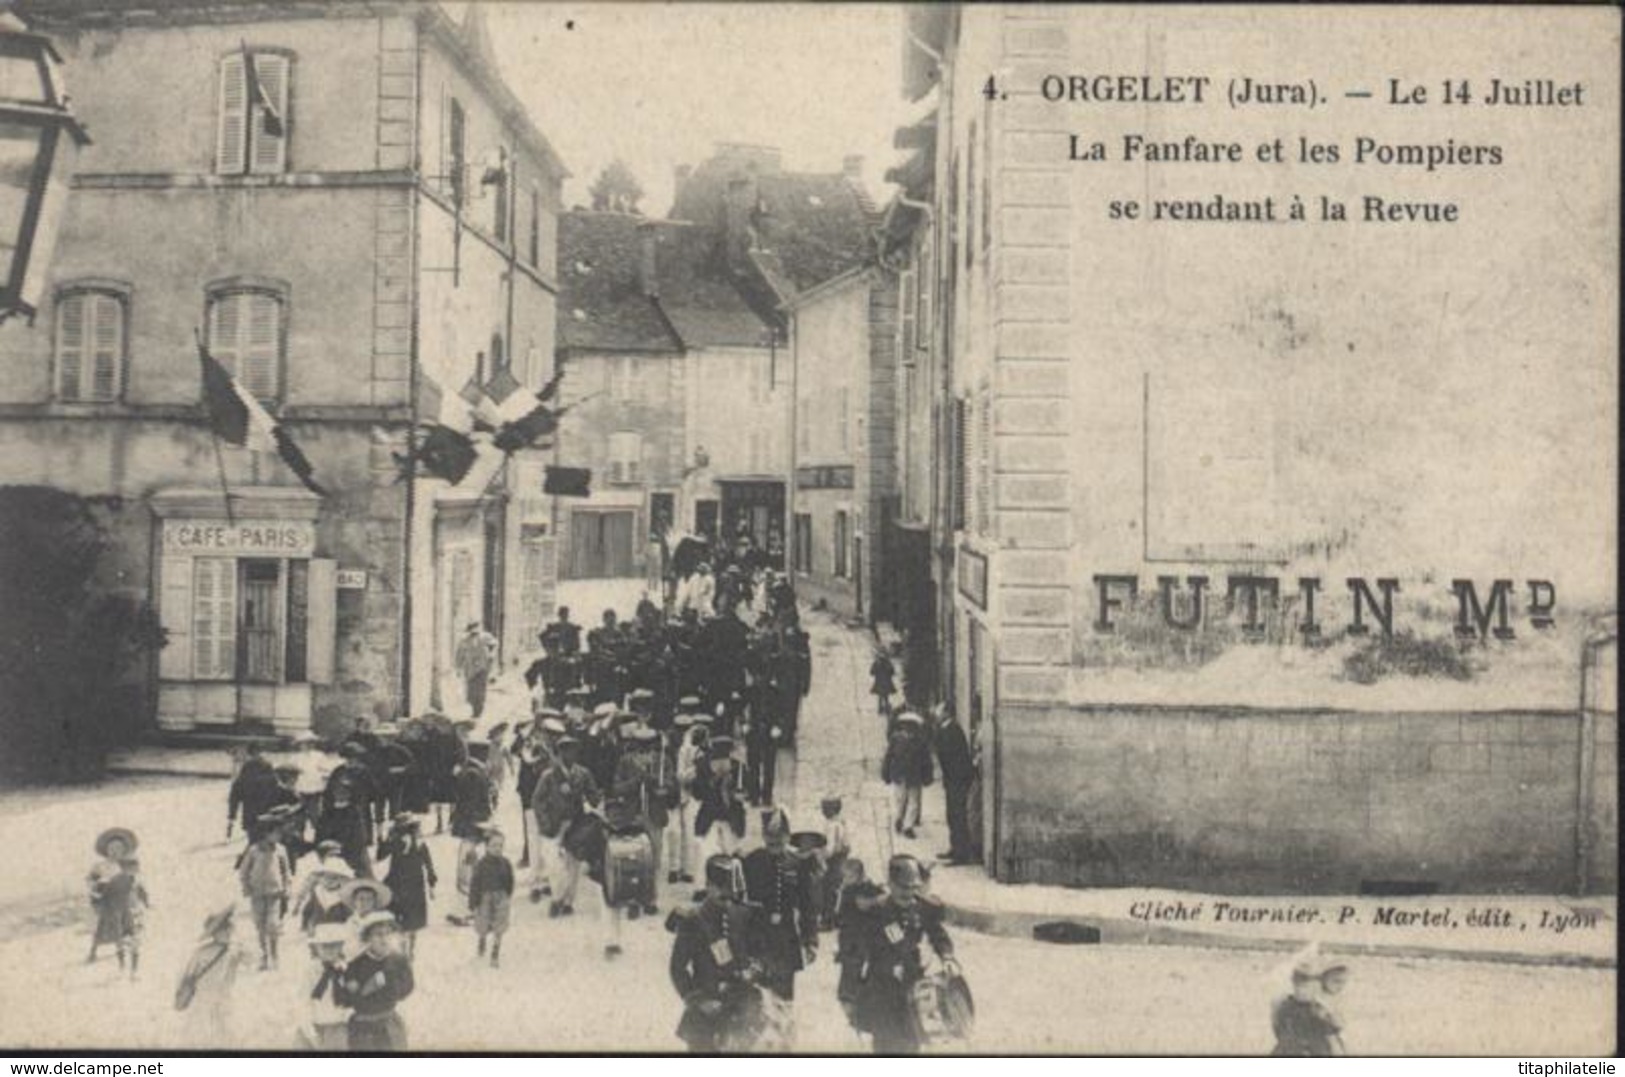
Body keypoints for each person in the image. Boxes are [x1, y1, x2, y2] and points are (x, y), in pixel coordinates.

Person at [854, 854, 957, 1055]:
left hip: (913, 984)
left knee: (912, 1042)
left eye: (913, 888)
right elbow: (861, 949)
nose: (908, 894)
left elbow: (938, 935)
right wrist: (889, 966)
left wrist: (947, 957)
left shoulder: (923, 907)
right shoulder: (876, 912)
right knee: (886, 1045)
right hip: (882, 989)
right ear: (890, 884)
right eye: (903, 888)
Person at [667, 854, 760, 1053]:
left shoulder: (745, 915)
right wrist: (697, 999)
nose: (725, 895)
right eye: (719, 887)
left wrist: (754, 969)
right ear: (708, 885)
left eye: (729, 890)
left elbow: (760, 954)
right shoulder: (693, 920)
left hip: (740, 1006)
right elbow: (677, 968)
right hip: (705, 1008)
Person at [741, 808, 818, 1002]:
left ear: (788, 836)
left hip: (785, 939)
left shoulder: (798, 864)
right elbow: (739, 902)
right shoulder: (751, 862)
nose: (774, 842)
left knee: (783, 999)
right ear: (763, 836)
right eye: (769, 836)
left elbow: (808, 906)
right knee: (755, 997)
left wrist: (811, 940)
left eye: (779, 836)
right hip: (757, 936)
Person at [533, 735, 601, 918]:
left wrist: (594, 797)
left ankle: (567, 902)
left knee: (573, 864)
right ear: (560, 753)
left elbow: (594, 797)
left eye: (573, 750)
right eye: (565, 750)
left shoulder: (583, 773)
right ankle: (557, 897)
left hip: (575, 823)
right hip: (554, 825)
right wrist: (545, 822)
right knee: (555, 865)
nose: (569, 754)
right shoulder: (548, 775)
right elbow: (537, 800)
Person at [336, 912, 414, 1051]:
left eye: (388, 933)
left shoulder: (398, 960)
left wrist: (388, 982)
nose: (384, 939)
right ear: (368, 938)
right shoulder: (356, 964)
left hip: (389, 1022)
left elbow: (407, 988)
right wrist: (355, 989)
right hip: (363, 1027)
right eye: (378, 934)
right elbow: (345, 1000)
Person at [174, 906, 247, 1046]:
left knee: (220, 1032)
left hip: (220, 996)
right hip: (211, 997)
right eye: (226, 929)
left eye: (230, 928)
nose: (230, 931)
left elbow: (187, 974)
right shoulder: (231, 951)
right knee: (209, 1032)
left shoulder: (233, 951)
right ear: (216, 933)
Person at [375, 814, 435, 958]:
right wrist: (384, 839)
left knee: (411, 918)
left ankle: (409, 948)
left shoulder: (418, 843)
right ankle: (403, 947)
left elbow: (428, 863)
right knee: (401, 916)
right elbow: (380, 855)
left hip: (411, 884)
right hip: (399, 883)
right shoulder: (396, 841)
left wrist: (431, 883)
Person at [238, 817, 292, 970]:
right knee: (260, 925)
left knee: (273, 925)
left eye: (279, 834)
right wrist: (246, 887)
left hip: (275, 893)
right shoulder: (254, 850)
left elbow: (286, 871)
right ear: (266, 834)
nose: (278, 836)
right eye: (275, 833)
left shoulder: (281, 850)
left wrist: (287, 887)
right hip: (257, 893)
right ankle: (264, 956)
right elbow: (244, 871)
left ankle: (275, 954)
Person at [1271, 952, 1349, 1056]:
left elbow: (1337, 1029)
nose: (1302, 988)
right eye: (1299, 983)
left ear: (1317, 984)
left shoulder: (1320, 1006)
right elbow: (1278, 1029)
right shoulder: (1283, 1003)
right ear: (1293, 983)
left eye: (1307, 983)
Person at [932, 706, 977, 865]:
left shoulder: (952, 730)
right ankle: (955, 847)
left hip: (957, 780)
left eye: (939, 712)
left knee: (957, 815)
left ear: (947, 713)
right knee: (952, 815)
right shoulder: (948, 729)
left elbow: (952, 757)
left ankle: (961, 854)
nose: (936, 714)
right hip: (953, 779)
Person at [298, 923, 352, 1050]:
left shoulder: (346, 969)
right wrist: (310, 1032)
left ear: (341, 946)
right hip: (315, 1025)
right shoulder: (310, 971)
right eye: (324, 946)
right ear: (316, 948)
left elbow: (352, 999)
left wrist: (346, 1020)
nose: (329, 949)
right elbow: (303, 1001)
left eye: (334, 945)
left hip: (339, 1026)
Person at [87, 827, 137, 965]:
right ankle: (93, 952)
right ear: (106, 850)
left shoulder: (127, 866)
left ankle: (125, 959)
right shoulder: (100, 866)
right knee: (104, 928)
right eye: (112, 848)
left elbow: (135, 884)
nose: (115, 852)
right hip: (108, 902)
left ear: (124, 850)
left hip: (124, 901)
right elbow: (91, 881)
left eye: (119, 848)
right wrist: (98, 886)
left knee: (128, 928)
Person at [882, 712, 934, 840]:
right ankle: (899, 819)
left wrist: (927, 776)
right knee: (900, 800)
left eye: (911, 726)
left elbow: (926, 760)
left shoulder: (920, 742)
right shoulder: (896, 739)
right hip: (900, 775)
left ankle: (908, 826)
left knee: (913, 802)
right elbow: (889, 757)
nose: (908, 729)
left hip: (914, 775)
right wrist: (886, 773)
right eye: (906, 726)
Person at [693, 735, 746, 860]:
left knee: (733, 857)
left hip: (732, 820)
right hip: (709, 820)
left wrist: (738, 794)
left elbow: (749, 790)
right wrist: (713, 780)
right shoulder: (703, 768)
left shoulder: (738, 769)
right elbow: (697, 794)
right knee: (709, 858)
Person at [468, 828, 515, 968]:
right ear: (487, 847)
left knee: (500, 922)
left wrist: (507, 894)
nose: (498, 849)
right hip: (485, 898)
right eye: (494, 845)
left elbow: (510, 879)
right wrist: (473, 902)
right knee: (483, 922)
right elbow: (475, 883)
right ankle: (482, 939)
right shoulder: (481, 865)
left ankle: (496, 948)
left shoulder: (505, 863)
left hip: (501, 896)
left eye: (500, 845)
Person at [817, 795, 850, 929]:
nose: (822, 810)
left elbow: (829, 849)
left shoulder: (831, 825)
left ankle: (827, 921)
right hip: (842, 860)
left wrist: (819, 857)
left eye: (824, 808)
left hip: (834, 862)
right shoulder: (842, 822)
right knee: (836, 891)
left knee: (828, 891)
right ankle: (836, 918)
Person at [454, 621, 498, 719]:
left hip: (482, 667)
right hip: (470, 669)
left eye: (475, 628)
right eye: (471, 629)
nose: (473, 631)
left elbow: (495, 644)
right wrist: (458, 667)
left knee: (480, 690)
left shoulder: (485, 637)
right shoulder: (464, 640)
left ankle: (478, 710)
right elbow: (459, 654)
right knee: (471, 691)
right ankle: (474, 708)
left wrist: (491, 654)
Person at [291, 735, 331, 832]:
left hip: (315, 790)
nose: (306, 746)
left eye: (309, 743)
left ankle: (319, 838)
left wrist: (320, 775)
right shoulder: (295, 758)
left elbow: (327, 770)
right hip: (300, 790)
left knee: (315, 816)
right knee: (299, 818)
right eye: (304, 744)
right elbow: (290, 773)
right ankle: (299, 841)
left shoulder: (319, 756)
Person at [869, 650, 897, 719]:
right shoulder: (888, 663)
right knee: (886, 696)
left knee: (881, 697)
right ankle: (885, 708)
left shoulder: (877, 663)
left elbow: (871, 672)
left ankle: (880, 709)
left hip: (879, 683)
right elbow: (892, 672)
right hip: (887, 683)